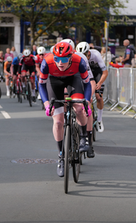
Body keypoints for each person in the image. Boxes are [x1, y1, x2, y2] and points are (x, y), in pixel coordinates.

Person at [39, 42, 93, 177]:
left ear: (71, 57)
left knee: (79, 108)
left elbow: (87, 84)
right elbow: (41, 85)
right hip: (54, 82)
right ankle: (61, 156)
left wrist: (86, 102)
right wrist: (46, 104)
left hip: (73, 80)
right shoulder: (47, 62)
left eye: (64, 59)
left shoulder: (79, 61)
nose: (60, 63)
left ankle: (83, 137)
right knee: (58, 122)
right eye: (57, 59)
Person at [76, 41, 108, 133]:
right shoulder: (78, 57)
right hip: (86, 73)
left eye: (85, 55)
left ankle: (99, 120)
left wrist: (100, 83)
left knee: (98, 97)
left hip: (97, 72)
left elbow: (105, 72)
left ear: (88, 53)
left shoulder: (96, 55)